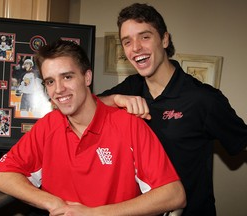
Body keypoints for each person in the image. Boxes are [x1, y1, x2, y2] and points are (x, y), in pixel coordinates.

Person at [0, 39, 186, 216]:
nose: (58, 89)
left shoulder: (129, 125)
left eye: (67, 77)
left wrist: (95, 214)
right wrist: (55, 204)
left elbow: (174, 195)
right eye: (50, 81)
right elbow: (0, 176)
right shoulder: (48, 126)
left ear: (87, 77)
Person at [98, 3, 247, 216]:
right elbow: (86, 107)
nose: (136, 47)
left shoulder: (202, 99)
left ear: (165, 39)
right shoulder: (130, 87)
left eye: (145, 36)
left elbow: (243, 141)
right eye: (127, 41)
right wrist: (115, 99)